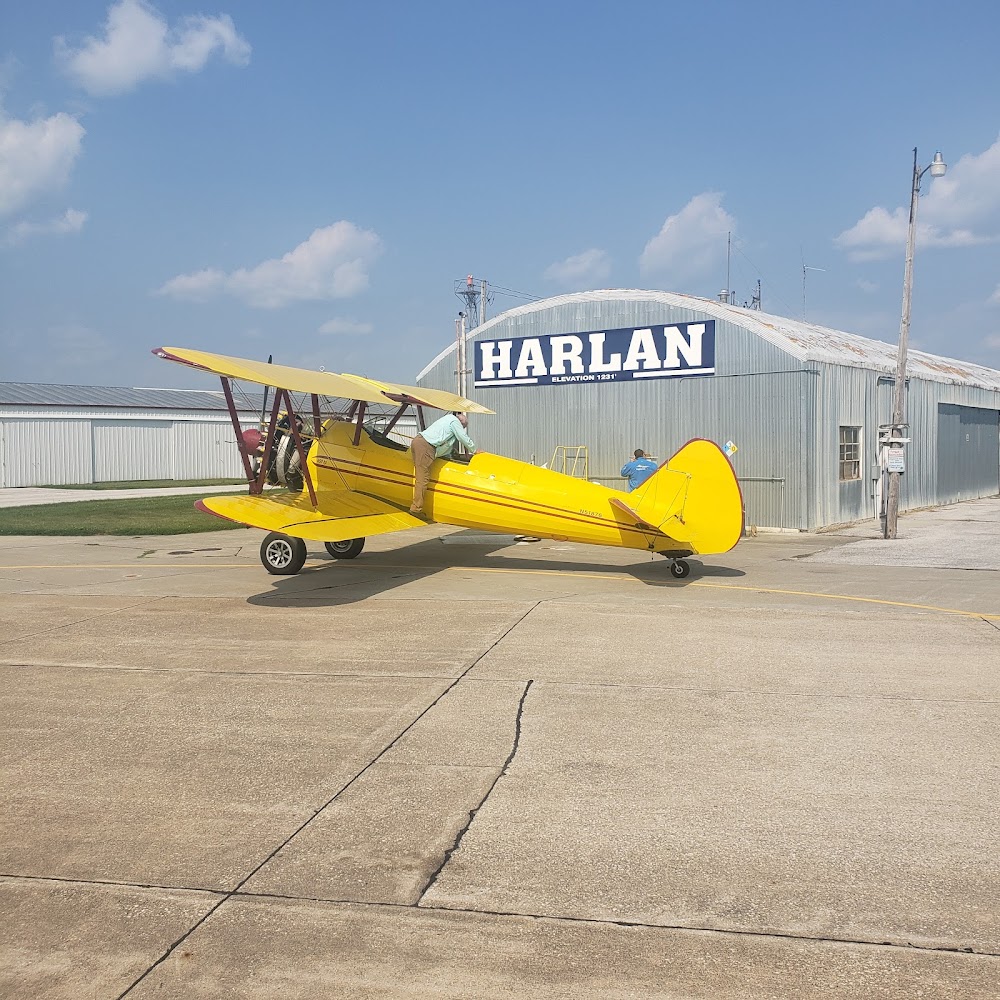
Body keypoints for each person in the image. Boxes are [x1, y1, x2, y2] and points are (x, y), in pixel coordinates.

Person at [410, 411, 479, 514]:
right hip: (425, 447)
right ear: (461, 424)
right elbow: (462, 437)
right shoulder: (454, 422)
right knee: (422, 479)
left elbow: (446, 446)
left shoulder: (447, 420)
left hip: (419, 442)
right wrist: (474, 450)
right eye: (463, 427)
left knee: (420, 475)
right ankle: (416, 509)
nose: (462, 429)